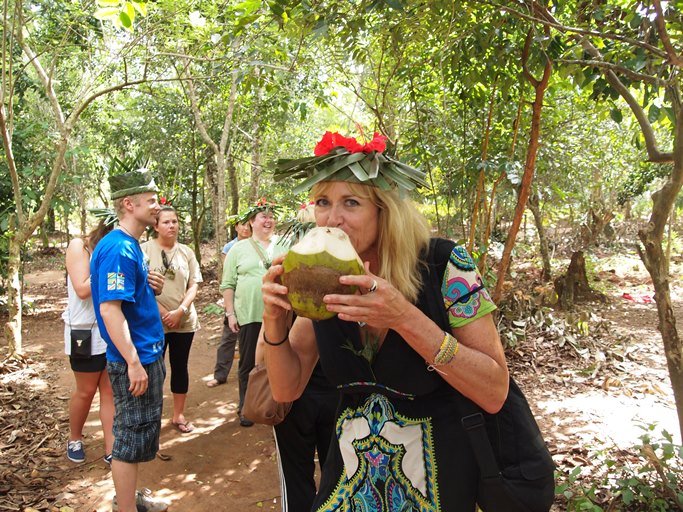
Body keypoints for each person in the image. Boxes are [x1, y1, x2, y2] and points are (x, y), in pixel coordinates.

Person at [263, 131, 509, 511]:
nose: (332, 219)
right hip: (349, 481)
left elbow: (494, 391)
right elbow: (285, 390)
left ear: (384, 209)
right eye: (323, 202)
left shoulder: (446, 266)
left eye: (351, 202)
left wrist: (405, 319)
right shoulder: (325, 279)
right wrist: (273, 319)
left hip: (437, 482)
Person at [90, 168, 170, 512]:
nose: (157, 206)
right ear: (129, 204)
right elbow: (109, 310)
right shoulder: (119, 248)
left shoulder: (129, 245)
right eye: (151, 201)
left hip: (145, 352)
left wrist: (149, 288)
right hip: (133, 358)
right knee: (128, 437)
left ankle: (130, 498)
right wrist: (134, 363)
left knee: (136, 435)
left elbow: (125, 300)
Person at [261, 204, 338, 511]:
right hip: (321, 393)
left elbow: (263, 350)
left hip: (305, 397)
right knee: (333, 473)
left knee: (301, 479)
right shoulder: (288, 272)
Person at [220, 199, 288, 426]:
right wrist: (230, 314)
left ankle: (275, 406)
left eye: (271, 216)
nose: (268, 221)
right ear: (251, 222)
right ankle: (247, 407)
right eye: (263, 216)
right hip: (249, 314)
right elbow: (227, 284)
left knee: (280, 361)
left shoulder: (284, 245)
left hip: (281, 314)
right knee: (249, 364)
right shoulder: (237, 249)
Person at [142, 206, 203, 434]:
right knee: (155, 369)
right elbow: (140, 286)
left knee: (180, 367)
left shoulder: (186, 252)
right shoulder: (144, 250)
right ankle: (151, 418)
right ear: (155, 226)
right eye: (166, 222)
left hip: (183, 321)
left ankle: (178, 415)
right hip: (154, 321)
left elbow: (194, 285)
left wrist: (180, 311)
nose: (171, 226)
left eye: (175, 221)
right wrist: (162, 313)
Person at [63, 216, 115, 465]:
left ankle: (111, 447)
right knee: (86, 391)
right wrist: (110, 265)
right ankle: (74, 437)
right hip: (84, 333)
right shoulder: (79, 247)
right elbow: (83, 289)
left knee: (110, 391)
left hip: (111, 328)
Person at [207, 218, 252, 388]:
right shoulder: (230, 247)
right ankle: (220, 375)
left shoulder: (258, 245)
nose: (246, 228)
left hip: (254, 300)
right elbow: (228, 274)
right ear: (236, 227)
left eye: (248, 224)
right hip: (235, 298)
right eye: (242, 224)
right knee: (228, 337)